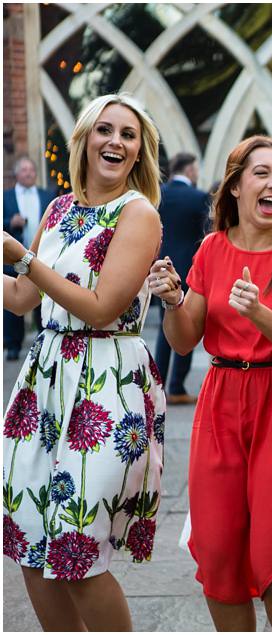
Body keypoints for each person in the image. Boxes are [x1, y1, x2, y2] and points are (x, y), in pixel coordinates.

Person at [148, 135, 272, 631]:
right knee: (219, 558)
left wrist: (258, 313)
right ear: (235, 187)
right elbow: (186, 339)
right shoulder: (211, 249)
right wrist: (172, 301)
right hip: (221, 405)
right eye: (262, 172)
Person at [2, 93, 165, 631]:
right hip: (46, 383)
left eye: (128, 134)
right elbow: (25, 299)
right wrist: (17, 265)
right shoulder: (59, 209)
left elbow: (101, 309)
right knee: (30, 549)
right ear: (84, 140)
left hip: (107, 385)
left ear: (139, 151)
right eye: (105, 130)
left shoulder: (138, 214)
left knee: (78, 553)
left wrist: (22, 255)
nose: (115, 141)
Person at [153, 152, 211, 405]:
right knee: (187, 323)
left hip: (161, 268)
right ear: (189, 171)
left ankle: (160, 382)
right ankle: (176, 385)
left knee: (165, 327)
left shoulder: (158, 196)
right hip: (190, 268)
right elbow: (206, 232)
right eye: (195, 170)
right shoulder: (199, 198)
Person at [3, 157, 56, 360]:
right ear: (17, 174)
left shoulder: (48, 195)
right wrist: (9, 221)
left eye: (31, 170)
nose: (28, 173)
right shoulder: (5, 196)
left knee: (43, 298)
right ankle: (13, 344)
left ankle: (45, 341)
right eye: (24, 170)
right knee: (13, 304)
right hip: (11, 256)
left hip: (43, 257)